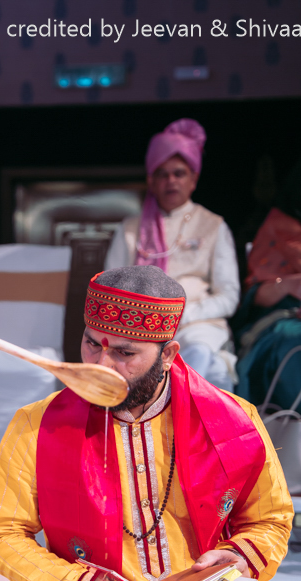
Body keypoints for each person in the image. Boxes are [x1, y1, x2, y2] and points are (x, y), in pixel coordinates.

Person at [0, 266, 301, 581]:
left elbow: (270, 519)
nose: (102, 365)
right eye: (91, 345)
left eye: (125, 353)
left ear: (167, 355)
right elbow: (3, 535)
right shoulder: (37, 425)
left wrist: (240, 557)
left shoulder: (235, 420)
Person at [105, 119, 239, 391]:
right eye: (162, 174)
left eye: (179, 173)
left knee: (199, 353)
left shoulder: (213, 225)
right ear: (151, 181)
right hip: (139, 325)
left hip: (196, 323)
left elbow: (229, 296)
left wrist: (182, 315)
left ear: (193, 179)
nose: (171, 181)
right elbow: (110, 289)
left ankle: (178, 411)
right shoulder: (130, 228)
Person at [235, 145, 301, 471]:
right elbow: (253, 297)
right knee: (296, 346)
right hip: (286, 320)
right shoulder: (277, 229)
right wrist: (287, 284)